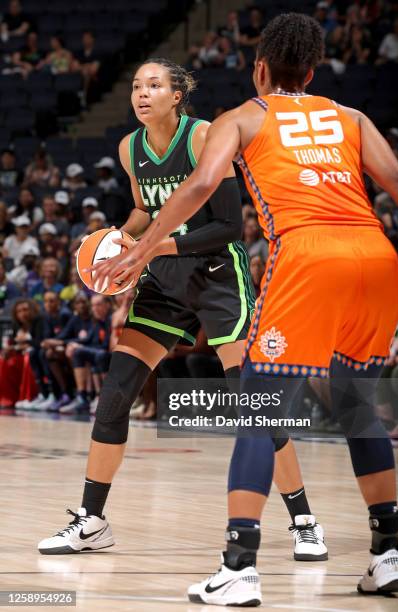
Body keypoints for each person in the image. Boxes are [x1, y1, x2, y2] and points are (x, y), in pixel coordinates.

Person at [94, 14, 398, 604]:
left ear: (259, 68)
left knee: (260, 409)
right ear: (313, 71)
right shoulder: (352, 117)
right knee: (358, 404)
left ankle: (239, 566)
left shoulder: (241, 117)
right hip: (376, 256)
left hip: (310, 255)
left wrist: (142, 247)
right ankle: (388, 555)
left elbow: (199, 187)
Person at [38, 58, 327, 564]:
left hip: (217, 276)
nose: (141, 93)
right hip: (165, 282)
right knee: (114, 394)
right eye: (135, 85)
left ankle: (304, 520)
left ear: (178, 95)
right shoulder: (130, 149)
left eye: (154, 85)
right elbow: (145, 213)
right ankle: (92, 521)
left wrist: (151, 248)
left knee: (254, 403)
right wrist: (119, 243)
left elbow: (226, 227)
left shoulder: (203, 137)